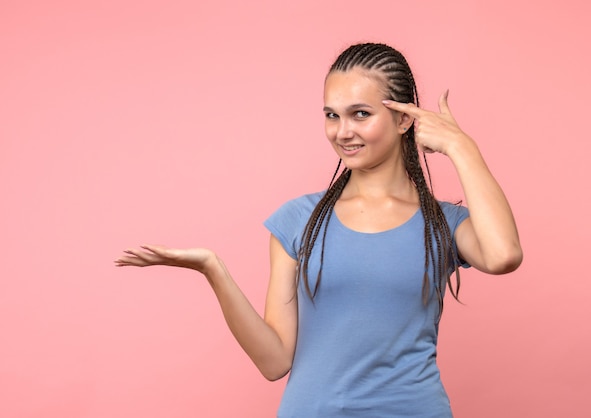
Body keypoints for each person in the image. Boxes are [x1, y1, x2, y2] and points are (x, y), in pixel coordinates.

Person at [115, 43, 522, 417]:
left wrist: (461, 147)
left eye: (360, 113)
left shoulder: (442, 224)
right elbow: (275, 361)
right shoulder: (299, 220)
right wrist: (212, 269)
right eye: (332, 115)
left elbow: (503, 255)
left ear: (403, 119)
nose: (342, 131)